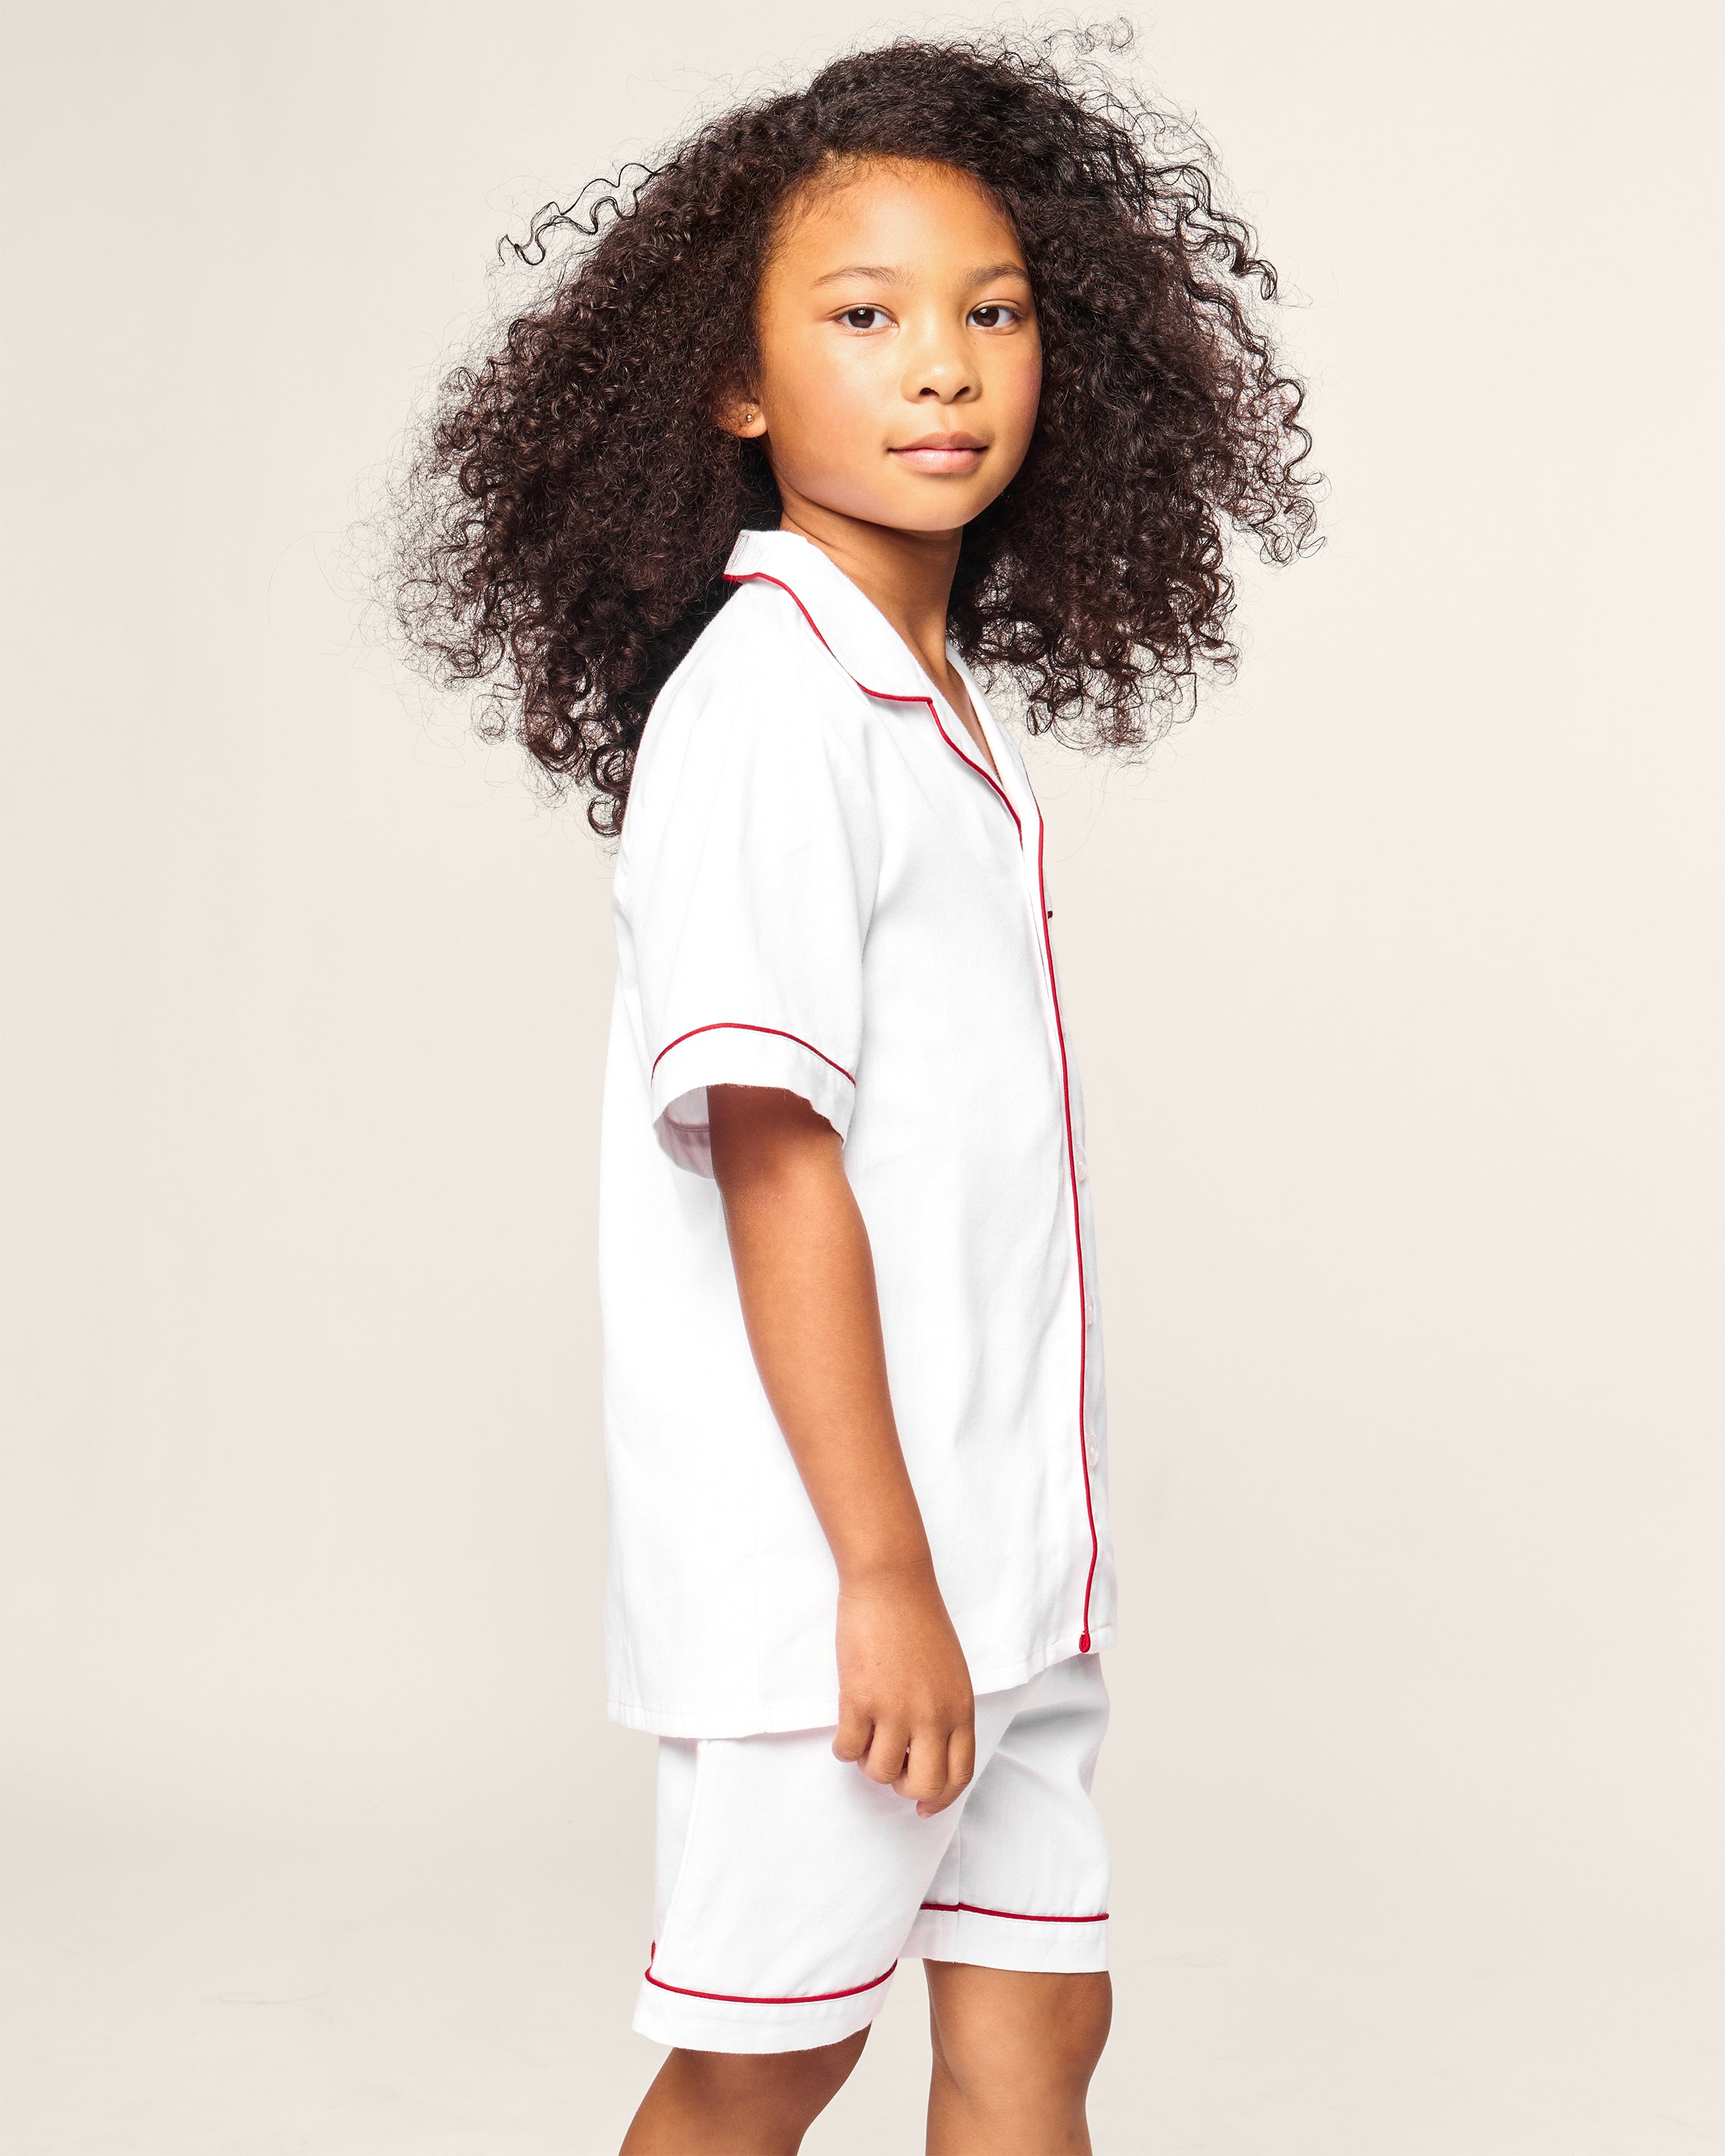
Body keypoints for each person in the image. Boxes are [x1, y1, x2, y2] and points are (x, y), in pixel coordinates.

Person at [392, 28, 1316, 2153]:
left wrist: (968, 1569)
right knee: (764, 2058)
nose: (944, 368)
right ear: (732, 385)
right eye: (865, 316)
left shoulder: (918, 701)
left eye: (991, 311)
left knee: (1032, 2040)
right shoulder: (771, 704)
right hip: (850, 1586)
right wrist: (882, 1577)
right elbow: (775, 1156)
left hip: (1009, 1565)